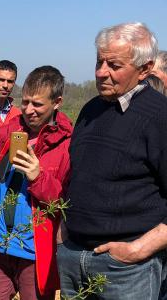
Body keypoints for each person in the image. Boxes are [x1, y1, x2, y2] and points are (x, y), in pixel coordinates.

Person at [59, 22, 167, 299]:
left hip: (126, 268)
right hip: (74, 257)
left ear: (145, 69)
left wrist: (139, 249)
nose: (100, 72)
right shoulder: (90, 109)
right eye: (99, 61)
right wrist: (64, 234)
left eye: (114, 65)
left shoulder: (159, 116)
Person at [0, 66, 71, 300]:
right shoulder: (7, 132)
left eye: (37, 104)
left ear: (57, 102)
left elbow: (65, 202)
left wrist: (38, 177)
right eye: (25, 102)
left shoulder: (67, 146)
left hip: (34, 251)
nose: (29, 110)